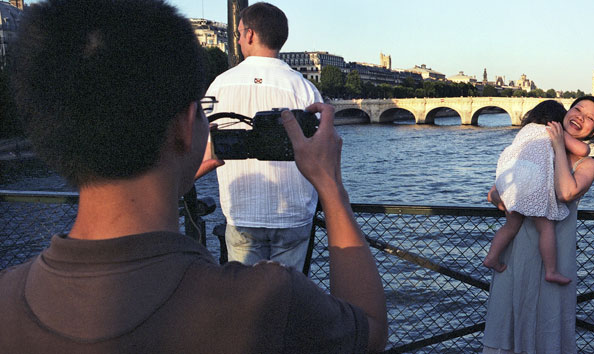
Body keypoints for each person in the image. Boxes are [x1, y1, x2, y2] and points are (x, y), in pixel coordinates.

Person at [0, 0, 386, 352]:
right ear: (186, 126)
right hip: (292, 221)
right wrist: (331, 189)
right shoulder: (265, 300)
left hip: (241, 218)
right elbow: (370, 331)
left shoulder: (8, 299)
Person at [482, 96, 594, 354]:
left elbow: (565, 193)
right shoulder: (536, 151)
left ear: (593, 132)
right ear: (565, 112)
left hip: (554, 261)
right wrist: (510, 200)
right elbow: (493, 193)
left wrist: (559, 144)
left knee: (547, 330)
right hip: (515, 257)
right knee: (508, 325)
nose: (580, 117)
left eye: (590, 118)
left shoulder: (588, 164)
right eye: (578, 109)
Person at [204, 2, 322, 270]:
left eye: (237, 33)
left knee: (246, 301)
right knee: (288, 299)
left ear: (249, 35)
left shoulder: (220, 84)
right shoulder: (304, 88)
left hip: (242, 208)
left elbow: (202, 139)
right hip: (294, 210)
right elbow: (319, 146)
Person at [482, 100, 590, 285]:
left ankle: (491, 257)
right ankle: (551, 270)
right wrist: (561, 139)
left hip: (511, 182)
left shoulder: (525, 131)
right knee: (546, 227)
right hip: (533, 181)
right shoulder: (553, 129)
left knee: (510, 225)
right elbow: (584, 149)